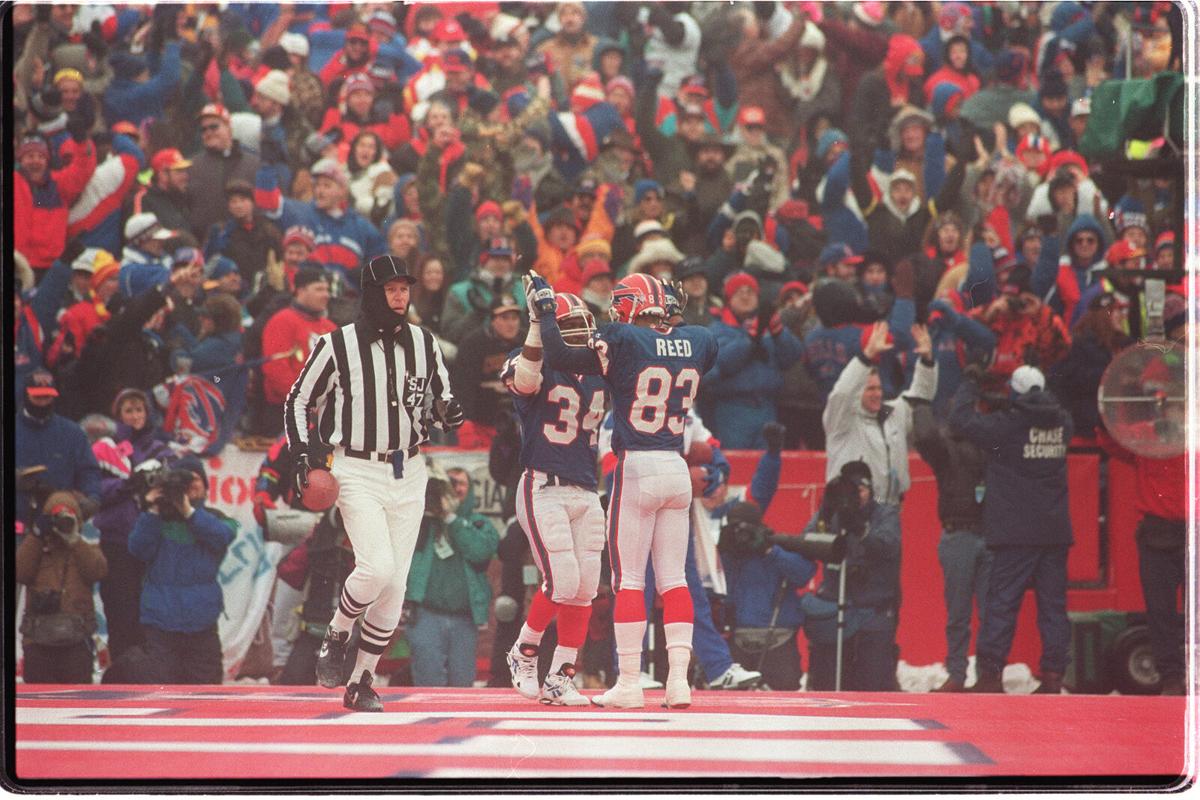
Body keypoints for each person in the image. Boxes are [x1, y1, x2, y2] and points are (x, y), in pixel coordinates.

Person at [285, 254, 464, 712]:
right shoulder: (336, 344)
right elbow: (297, 400)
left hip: (409, 468)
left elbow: (440, 397)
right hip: (356, 466)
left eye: (405, 288)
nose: (400, 296)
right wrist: (304, 456)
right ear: (371, 294)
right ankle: (337, 630)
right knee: (377, 567)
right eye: (391, 289)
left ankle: (363, 680)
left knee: (396, 586)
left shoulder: (425, 342)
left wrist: (447, 411)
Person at [531, 272, 718, 710]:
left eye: (620, 305)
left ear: (632, 306)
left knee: (630, 579)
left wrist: (543, 309)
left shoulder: (621, 337)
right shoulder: (700, 338)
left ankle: (630, 682)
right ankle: (678, 683)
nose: (613, 313)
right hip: (677, 465)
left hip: (637, 464)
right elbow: (677, 343)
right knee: (675, 580)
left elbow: (559, 354)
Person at [502, 292, 608, 706]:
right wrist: (535, 327)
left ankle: (561, 676)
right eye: (570, 327)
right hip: (543, 485)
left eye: (585, 324)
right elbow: (525, 380)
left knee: (584, 589)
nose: (581, 334)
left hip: (585, 486)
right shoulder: (534, 359)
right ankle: (523, 652)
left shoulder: (598, 371)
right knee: (561, 580)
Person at [950, 365, 1073, 694]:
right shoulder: (1064, 422)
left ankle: (990, 676)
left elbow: (961, 421)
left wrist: (970, 382)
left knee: (1002, 603)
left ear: (1015, 394)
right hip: (1055, 531)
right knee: (1053, 607)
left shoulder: (1007, 427)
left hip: (1016, 532)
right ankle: (1052, 677)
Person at [128, 455, 237, 684]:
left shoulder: (218, 520)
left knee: (207, 691)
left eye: (196, 479)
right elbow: (137, 549)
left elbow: (222, 537)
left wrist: (187, 510)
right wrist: (153, 509)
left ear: (206, 487)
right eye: (185, 480)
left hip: (201, 623)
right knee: (161, 687)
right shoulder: (156, 520)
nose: (191, 484)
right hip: (160, 622)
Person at [911, 393, 990, 692]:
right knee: (959, 613)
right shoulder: (946, 448)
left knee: (989, 614)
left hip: (985, 533)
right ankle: (957, 673)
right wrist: (920, 406)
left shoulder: (989, 445)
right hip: (960, 534)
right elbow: (927, 437)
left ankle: (988, 675)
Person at [802, 460, 901, 691]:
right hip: (836, 605)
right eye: (851, 490)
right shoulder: (833, 512)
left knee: (873, 682)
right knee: (828, 680)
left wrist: (860, 530)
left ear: (871, 489)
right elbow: (807, 542)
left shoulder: (884, 512)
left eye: (861, 490)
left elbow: (888, 545)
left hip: (873, 607)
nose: (858, 496)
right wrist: (826, 513)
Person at [822, 321, 937, 507]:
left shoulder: (893, 412)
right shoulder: (842, 420)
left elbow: (921, 397)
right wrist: (866, 357)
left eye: (878, 388)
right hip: (850, 509)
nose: (877, 394)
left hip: (891, 510)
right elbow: (841, 393)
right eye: (870, 389)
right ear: (858, 391)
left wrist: (927, 360)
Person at [405, 467, 499, 687]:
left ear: (471, 489)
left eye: (461, 484)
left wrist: (451, 518)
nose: (455, 489)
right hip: (425, 615)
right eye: (450, 483)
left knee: (462, 684)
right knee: (428, 682)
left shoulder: (479, 523)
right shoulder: (421, 524)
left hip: (464, 619)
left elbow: (481, 551)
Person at [17, 491, 108, 684]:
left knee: (76, 698)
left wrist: (74, 539)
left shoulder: (84, 547)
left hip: (76, 640)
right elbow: (20, 572)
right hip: (38, 639)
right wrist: (37, 535)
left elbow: (98, 571)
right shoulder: (36, 547)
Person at [15, 369, 102, 531]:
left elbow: (89, 471)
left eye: (47, 397)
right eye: (37, 397)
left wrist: (93, 498)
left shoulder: (72, 432)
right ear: (25, 395)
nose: (42, 402)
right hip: (19, 522)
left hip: (60, 522)